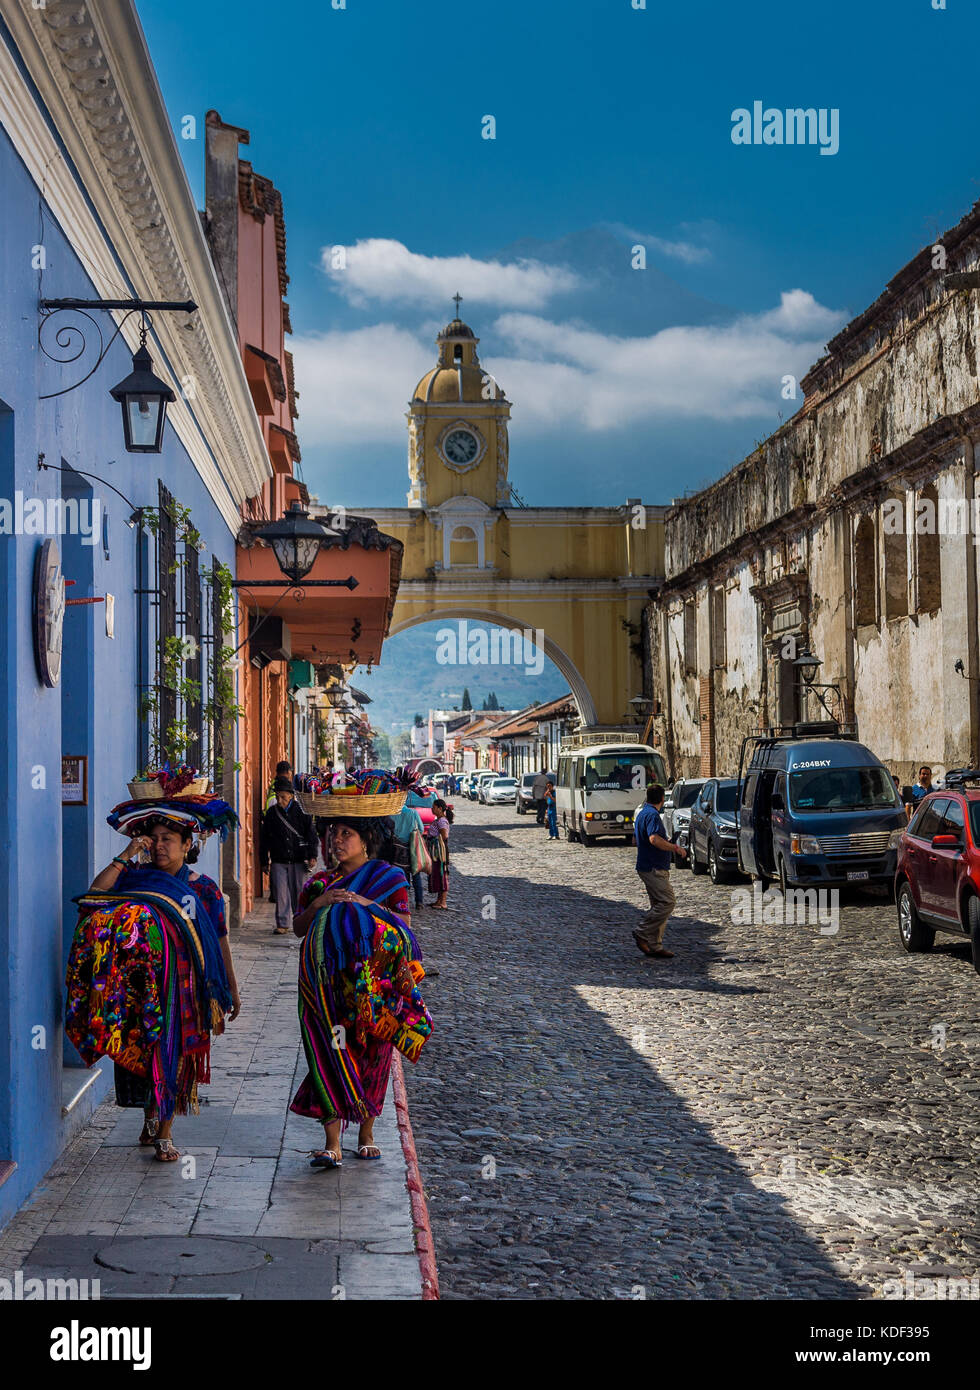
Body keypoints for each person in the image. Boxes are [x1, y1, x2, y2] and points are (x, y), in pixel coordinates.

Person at [66, 803, 241, 1162]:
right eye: (154, 839)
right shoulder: (135, 879)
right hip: (142, 990)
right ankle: (150, 1118)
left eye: (169, 839)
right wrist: (128, 854)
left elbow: (219, 939)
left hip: (187, 990)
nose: (160, 846)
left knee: (174, 1054)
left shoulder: (202, 890)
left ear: (187, 843)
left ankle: (165, 1131)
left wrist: (230, 990)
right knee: (146, 1052)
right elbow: (94, 896)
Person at [290, 815, 432, 1167]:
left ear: (366, 839)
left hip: (374, 983)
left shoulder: (389, 879)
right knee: (328, 1051)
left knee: (372, 1052)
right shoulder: (318, 883)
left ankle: (366, 1133)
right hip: (326, 985)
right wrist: (319, 905)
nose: (337, 840)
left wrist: (366, 906)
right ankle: (332, 1143)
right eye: (332, 834)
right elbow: (297, 928)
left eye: (346, 834)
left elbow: (403, 927)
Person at [633, 784, 687, 960]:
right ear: (662, 799)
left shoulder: (642, 813)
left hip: (648, 865)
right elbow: (654, 839)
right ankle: (642, 932)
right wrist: (674, 847)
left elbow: (637, 840)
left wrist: (665, 841)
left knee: (658, 905)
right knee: (667, 902)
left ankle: (655, 945)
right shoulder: (652, 815)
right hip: (653, 867)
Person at [260, 777, 319, 935]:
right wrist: (264, 861)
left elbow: (311, 835)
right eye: (278, 797)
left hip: (299, 860)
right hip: (278, 860)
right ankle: (283, 923)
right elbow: (264, 839)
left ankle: (301, 920)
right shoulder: (272, 814)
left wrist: (312, 855)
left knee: (299, 893)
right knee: (281, 892)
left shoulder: (302, 812)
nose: (280, 800)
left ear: (291, 796)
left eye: (283, 797)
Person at [390, 798, 427, 911]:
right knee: (416, 874)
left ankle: (403, 901)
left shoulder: (392, 814)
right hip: (412, 848)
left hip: (397, 849)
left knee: (400, 875)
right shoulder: (413, 813)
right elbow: (420, 829)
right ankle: (419, 902)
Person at [427, 798, 452, 908]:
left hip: (440, 852)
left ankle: (443, 902)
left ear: (440, 808)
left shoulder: (442, 821)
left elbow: (444, 835)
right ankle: (439, 900)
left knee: (442, 874)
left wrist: (433, 840)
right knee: (437, 873)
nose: (432, 809)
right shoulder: (438, 820)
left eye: (434, 807)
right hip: (436, 851)